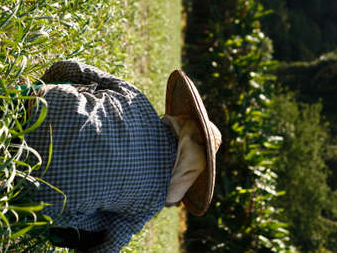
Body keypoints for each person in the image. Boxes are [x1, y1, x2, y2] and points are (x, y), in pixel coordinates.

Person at [24, 60, 221, 252]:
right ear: (188, 177)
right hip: (32, 192)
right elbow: (110, 244)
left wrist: (44, 86)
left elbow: (69, 68)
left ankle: (21, 108)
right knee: (101, 228)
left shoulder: (137, 98)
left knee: (86, 92)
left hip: (34, 105)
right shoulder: (152, 203)